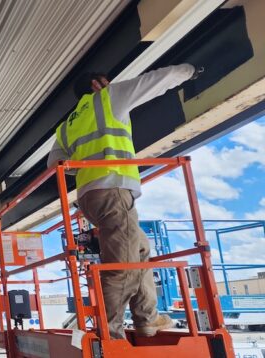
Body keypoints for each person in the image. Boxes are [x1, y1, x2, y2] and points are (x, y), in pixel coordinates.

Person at [47, 64, 201, 339]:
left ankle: (147, 318)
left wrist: (87, 160)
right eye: (106, 82)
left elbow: (57, 164)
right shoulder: (107, 98)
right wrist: (191, 70)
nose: (109, 84)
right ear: (97, 84)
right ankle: (110, 335)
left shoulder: (66, 126)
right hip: (113, 188)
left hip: (89, 196)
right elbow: (156, 81)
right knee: (122, 266)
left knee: (140, 249)